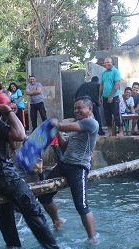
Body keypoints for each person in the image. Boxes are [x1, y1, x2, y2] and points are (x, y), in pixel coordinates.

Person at [0, 102, 64, 249]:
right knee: (32, 207)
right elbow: (20, 135)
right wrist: (8, 111)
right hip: (4, 177)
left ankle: (12, 246)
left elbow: (13, 142)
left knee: (5, 210)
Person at [38, 96, 99, 241]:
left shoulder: (91, 122)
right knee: (44, 196)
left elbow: (63, 126)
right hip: (64, 164)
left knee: (81, 206)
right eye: (75, 108)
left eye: (80, 107)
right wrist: (57, 131)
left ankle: (92, 239)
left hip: (79, 167)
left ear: (89, 109)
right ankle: (56, 220)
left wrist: (56, 124)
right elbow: (65, 147)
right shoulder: (78, 125)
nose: (77, 110)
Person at [100, 57, 123, 137]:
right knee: (107, 115)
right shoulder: (104, 73)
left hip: (114, 96)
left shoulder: (116, 72)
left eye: (108, 62)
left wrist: (111, 96)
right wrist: (100, 96)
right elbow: (102, 85)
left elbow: (116, 85)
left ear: (111, 62)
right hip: (105, 97)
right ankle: (109, 131)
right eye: (105, 62)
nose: (107, 64)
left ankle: (120, 131)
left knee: (116, 114)